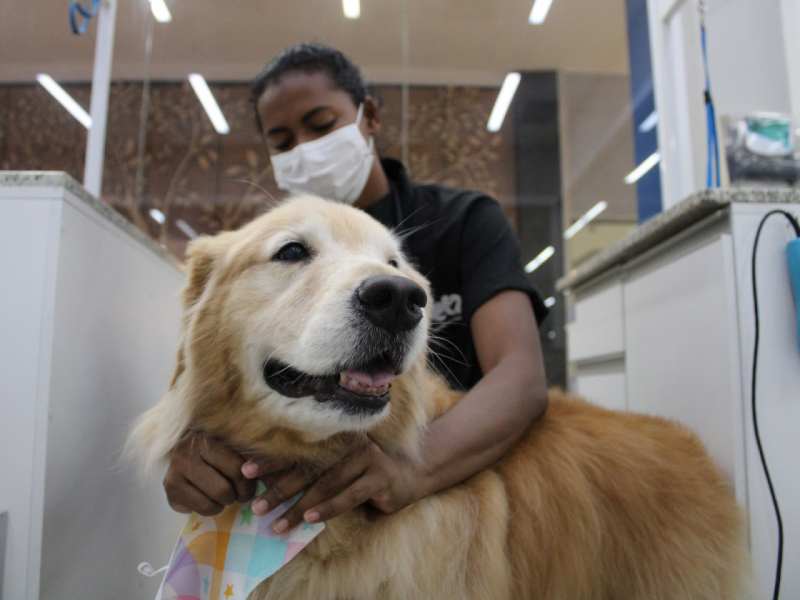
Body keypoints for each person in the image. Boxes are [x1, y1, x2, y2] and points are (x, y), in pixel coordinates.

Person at [163, 43, 550, 535]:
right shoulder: (255, 247)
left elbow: (520, 375)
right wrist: (191, 442)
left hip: (455, 473)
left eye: (321, 125)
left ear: (369, 116)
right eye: (282, 141)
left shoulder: (466, 220)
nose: (304, 148)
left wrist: (414, 467)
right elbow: (205, 376)